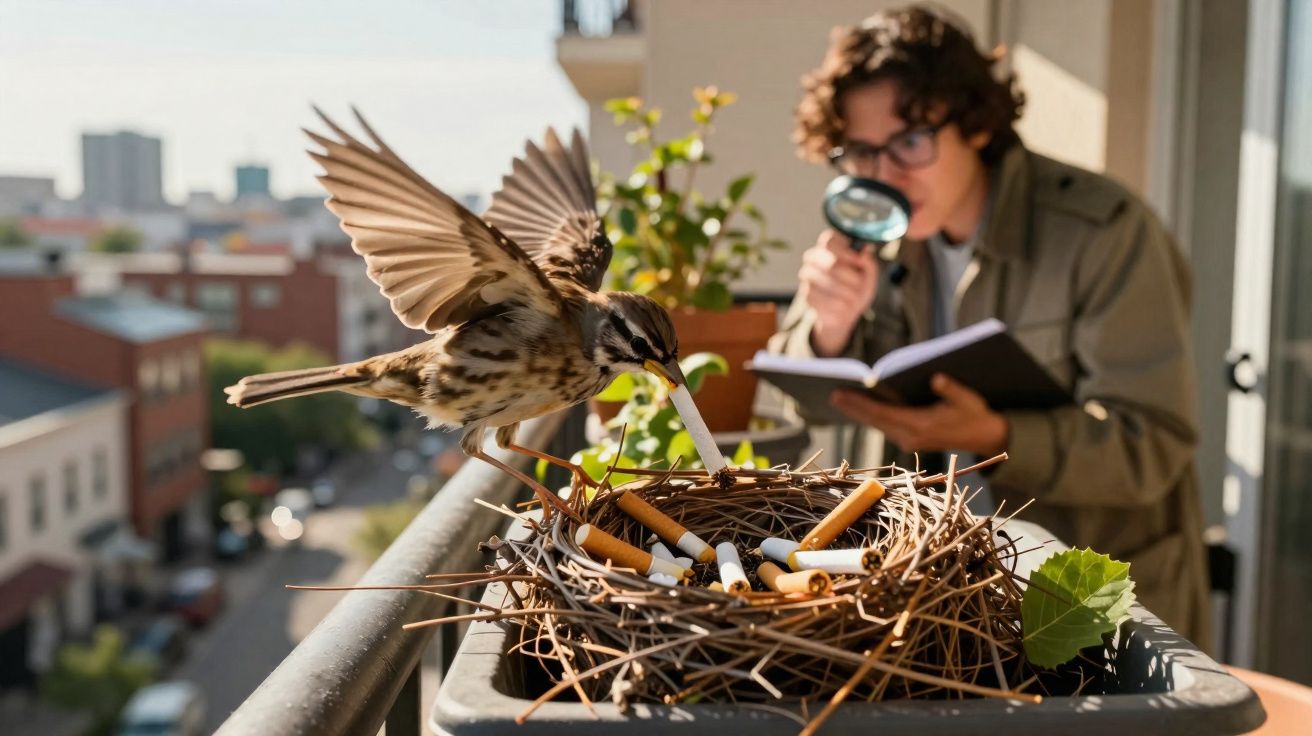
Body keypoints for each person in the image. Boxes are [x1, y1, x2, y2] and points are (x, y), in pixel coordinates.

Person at [770, 5, 1210, 646]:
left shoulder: (1104, 232)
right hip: (935, 595)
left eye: (911, 142)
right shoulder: (875, 237)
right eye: (862, 152)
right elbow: (789, 396)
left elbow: (1152, 447)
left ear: (974, 123)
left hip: (1091, 605)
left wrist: (998, 434)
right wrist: (828, 329)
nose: (885, 176)